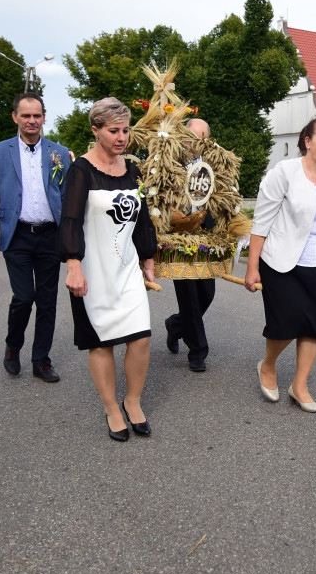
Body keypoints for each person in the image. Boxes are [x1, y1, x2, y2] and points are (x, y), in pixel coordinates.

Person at [243, 117, 316, 412]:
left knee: (315, 326)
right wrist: (252, 266)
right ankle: (267, 366)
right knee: (286, 323)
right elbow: (262, 221)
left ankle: (300, 385)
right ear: (308, 141)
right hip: (281, 261)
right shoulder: (285, 172)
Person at [60, 98, 157, 442]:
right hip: (92, 269)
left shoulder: (132, 169)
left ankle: (132, 401)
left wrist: (148, 259)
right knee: (100, 343)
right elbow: (70, 220)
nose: (121, 137)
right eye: (113, 130)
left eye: (125, 130)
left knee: (141, 337)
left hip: (126, 268)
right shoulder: (81, 170)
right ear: (96, 131)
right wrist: (73, 266)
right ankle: (111, 407)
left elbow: (141, 216)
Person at [0, 92, 72, 383]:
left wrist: (71, 239)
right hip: (17, 235)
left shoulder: (59, 153)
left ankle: (41, 360)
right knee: (23, 297)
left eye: (37, 115)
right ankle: (13, 346)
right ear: (15, 118)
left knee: (47, 301)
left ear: (44, 117)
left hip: (49, 237)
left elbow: (67, 196)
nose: (32, 121)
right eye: (26, 115)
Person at [164, 117, 215, 372]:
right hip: (178, 237)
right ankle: (197, 352)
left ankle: (176, 325)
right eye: (194, 137)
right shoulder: (168, 162)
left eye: (203, 138)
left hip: (205, 237)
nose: (198, 143)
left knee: (207, 294)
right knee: (190, 298)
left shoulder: (213, 164)